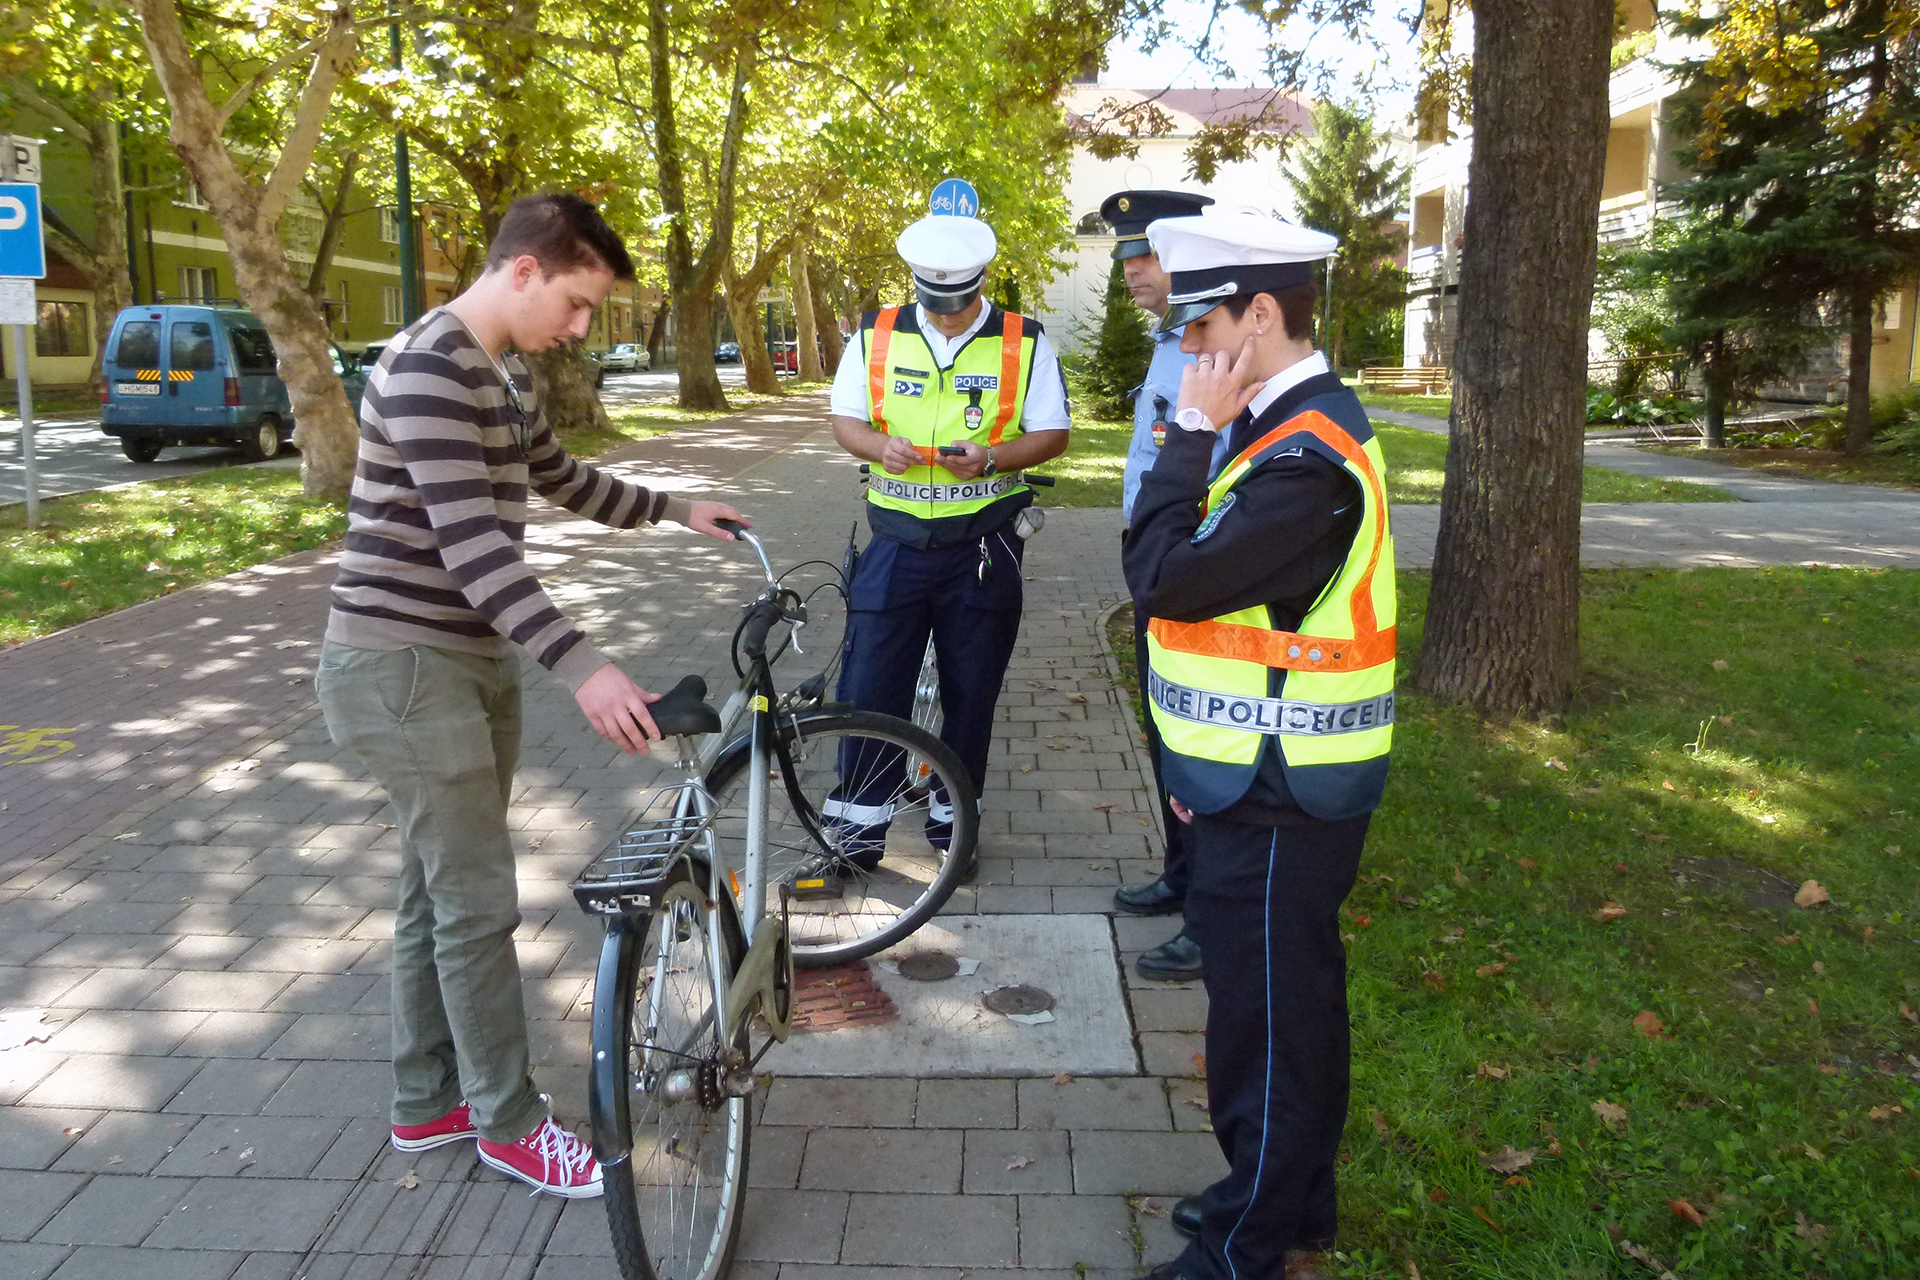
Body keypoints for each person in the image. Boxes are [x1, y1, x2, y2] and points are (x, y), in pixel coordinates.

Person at [315, 193, 746, 1200]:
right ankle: (508, 1124)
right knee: (475, 904)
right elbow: (474, 549)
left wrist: (676, 508)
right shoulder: (429, 366)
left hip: (461, 663)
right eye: (577, 302)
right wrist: (585, 665)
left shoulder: (500, 370)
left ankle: (425, 1100)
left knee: (434, 891)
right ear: (522, 270)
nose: (582, 326)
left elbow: (561, 477)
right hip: (403, 670)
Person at [1122, 210, 1397, 1280]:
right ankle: (1289, 1207)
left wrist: (1185, 439)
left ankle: (1245, 1248)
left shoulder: (1303, 458)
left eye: (1202, 325)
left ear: (1263, 315)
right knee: (1292, 1009)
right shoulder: (1287, 427)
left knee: (1266, 1026)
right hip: (1259, 773)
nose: (1187, 348)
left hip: (1283, 789)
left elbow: (1165, 580)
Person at [824, 208, 1071, 872]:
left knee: (970, 692)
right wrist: (878, 447)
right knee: (870, 687)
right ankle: (856, 835)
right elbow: (845, 418)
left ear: (981, 284)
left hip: (983, 549)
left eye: (958, 307)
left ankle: (952, 829)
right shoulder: (876, 333)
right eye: (935, 306)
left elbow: (1052, 432)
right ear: (916, 287)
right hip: (895, 543)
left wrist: (994, 458)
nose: (947, 318)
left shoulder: (1023, 340)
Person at [1099, 188, 1221, 986]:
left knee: (1201, 736)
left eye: (1146, 256)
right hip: (1157, 557)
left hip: (1197, 567)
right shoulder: (1172, 339)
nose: (1131, 272)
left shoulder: (1213, 344)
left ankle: (1211, 918)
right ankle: (1183, 875)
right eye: (1126, 259)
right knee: (1166, 725)